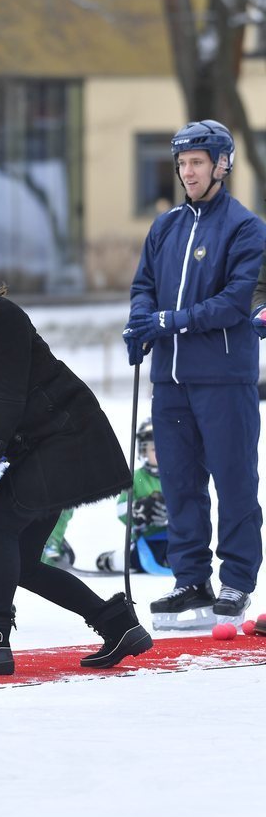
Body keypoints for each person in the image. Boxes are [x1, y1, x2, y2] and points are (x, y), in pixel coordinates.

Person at [0, 208, 152, 674]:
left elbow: (9, 397)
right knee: (20, 558)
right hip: (34, 446)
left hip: (71, 434)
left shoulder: (2, 318)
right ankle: (116, 623)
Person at [123, 120, 266, 630]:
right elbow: (143, 285)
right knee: (180, 484)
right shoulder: (165, 227)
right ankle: (190, 579)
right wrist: (141, 322)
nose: (187, 172)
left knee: (233, 481)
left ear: (221, 164)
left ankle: (237, 579)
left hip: (224, 377)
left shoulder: (246, 227)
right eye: (181, 163)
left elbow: (235, 301)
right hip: (171, 381)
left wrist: (171, 321)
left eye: (197, 162)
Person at [96, 418, 169, 574]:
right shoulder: (136, 478)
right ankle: (112, 560)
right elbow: (121, 510)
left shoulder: (176, 479)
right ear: (143, 450)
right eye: (154, 449)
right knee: (134, 560)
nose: (161, 453)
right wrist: (137, 510)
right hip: (145, 541)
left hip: (173, 540)